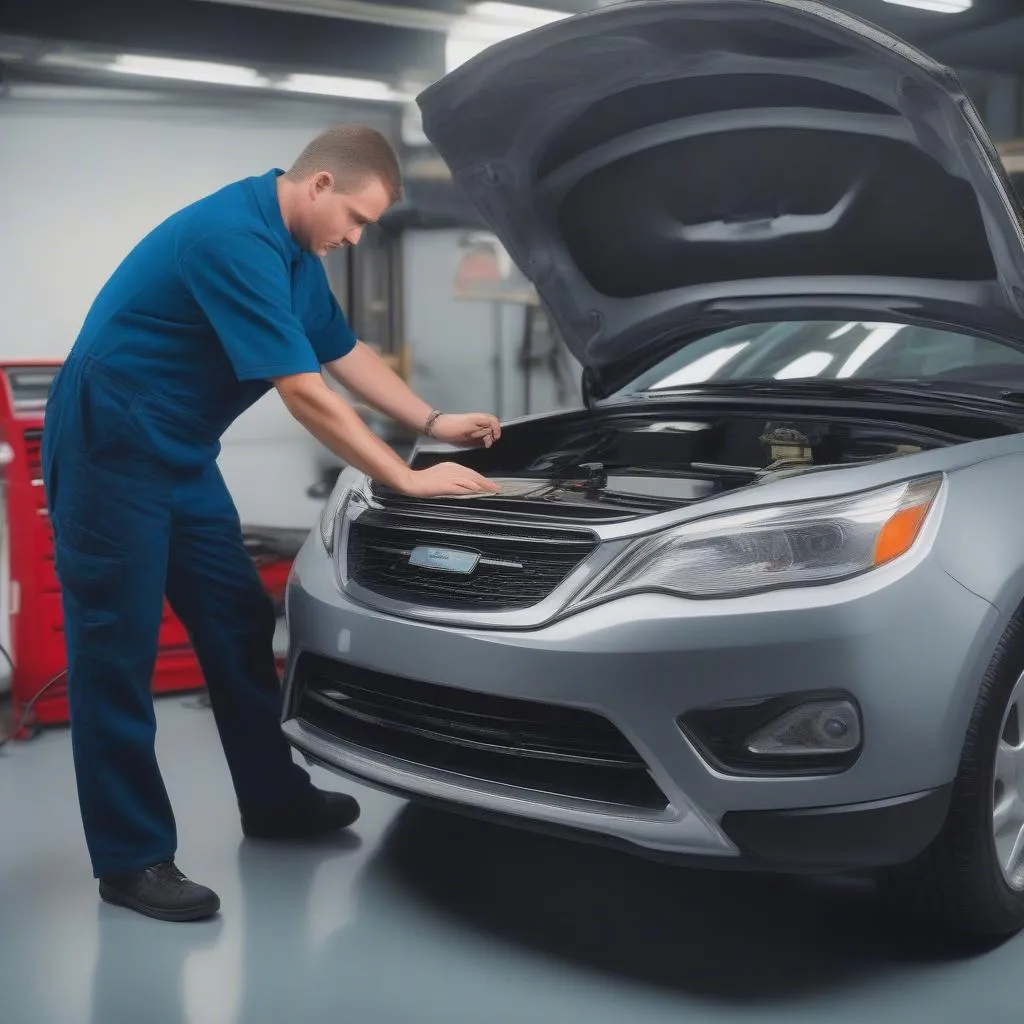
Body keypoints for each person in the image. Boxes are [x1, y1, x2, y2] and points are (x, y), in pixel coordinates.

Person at [41, 124, 502, 923]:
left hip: (179, 449)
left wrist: (433, 416)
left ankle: (274, 800)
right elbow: (304, 393)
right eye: (355, 220)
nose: (355, 239)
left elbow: (341, 351)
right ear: (319, 184)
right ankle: (131, 856)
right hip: (109, 441)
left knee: (238, 620)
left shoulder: (295, 251)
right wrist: (403, 476)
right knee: (117, 649)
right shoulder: (233, 238)